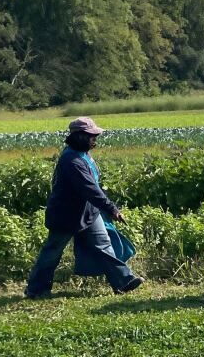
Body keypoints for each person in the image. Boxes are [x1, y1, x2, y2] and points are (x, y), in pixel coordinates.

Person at [24, 117, 143, 298]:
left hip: (88, 213)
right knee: (52, 252)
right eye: (91, 136)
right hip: (66, 215)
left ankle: (123, 281)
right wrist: (112, 209)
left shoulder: (83, 155)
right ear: (79, 137)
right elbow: (90, 189)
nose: (95, 140)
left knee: (104, 246)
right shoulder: (72, 161)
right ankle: (36, 289)